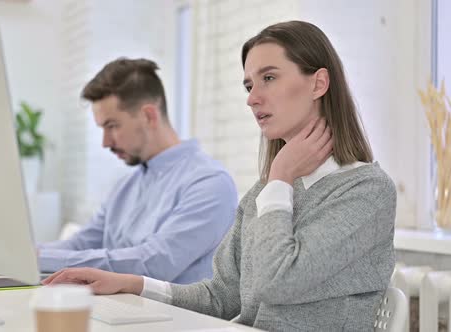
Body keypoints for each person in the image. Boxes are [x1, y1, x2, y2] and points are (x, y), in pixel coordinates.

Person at [41, 21, 396, 331]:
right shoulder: (268, 190)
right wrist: (132, 284)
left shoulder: (365, 191)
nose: (252, 99)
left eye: (268, 78)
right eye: (248, 86)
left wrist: (281, 176)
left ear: (319, 83)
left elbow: (278, 284)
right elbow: (222, 296)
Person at [37, 58, 238, 284]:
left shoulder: (209, 183)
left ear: (148, 116)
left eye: (112, 126)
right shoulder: (126, 186)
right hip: (121, 310)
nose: (105, 142)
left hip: (173, 317)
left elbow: (153, 264)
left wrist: (43, 259)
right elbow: (81, 243)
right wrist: (27, 255)